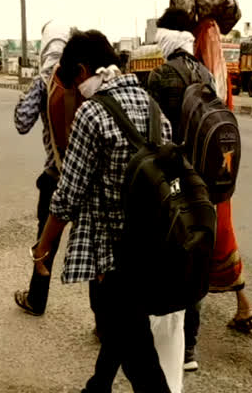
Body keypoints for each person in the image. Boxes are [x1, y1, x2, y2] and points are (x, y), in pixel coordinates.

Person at [31, 30, 178, 393]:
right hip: (154, 245)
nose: (71, 92)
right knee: (122, 326)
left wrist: (43, 246)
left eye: (69, 83)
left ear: (82, 72)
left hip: (114, 254)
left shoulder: (92, 114)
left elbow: (67, 197)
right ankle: (97, 387)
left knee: (138, 355)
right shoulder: (154, 107)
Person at [145, 9, 218, 373]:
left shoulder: (160, 76)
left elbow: (151, 130)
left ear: (166, 42)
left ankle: (164, 346)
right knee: (195, 257)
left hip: (171, 178)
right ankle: (189, 349)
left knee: (167, 258)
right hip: (203, 180)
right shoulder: (206, 72)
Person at [193, 17, 252, 336]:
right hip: (220, 165)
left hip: (204, 165)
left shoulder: (203, 77)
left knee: (205, 235)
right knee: (220, 231)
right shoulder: (219, 75)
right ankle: (242, 305)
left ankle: (183, 333)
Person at [12, 22, 72, 316]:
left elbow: (22, 123)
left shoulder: (43, 80)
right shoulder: (85, 73)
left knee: (46, 240)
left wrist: (26, 95)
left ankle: (37, 299)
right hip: (89, 176)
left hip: (56, 175)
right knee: (99, 247)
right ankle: (103, 322)